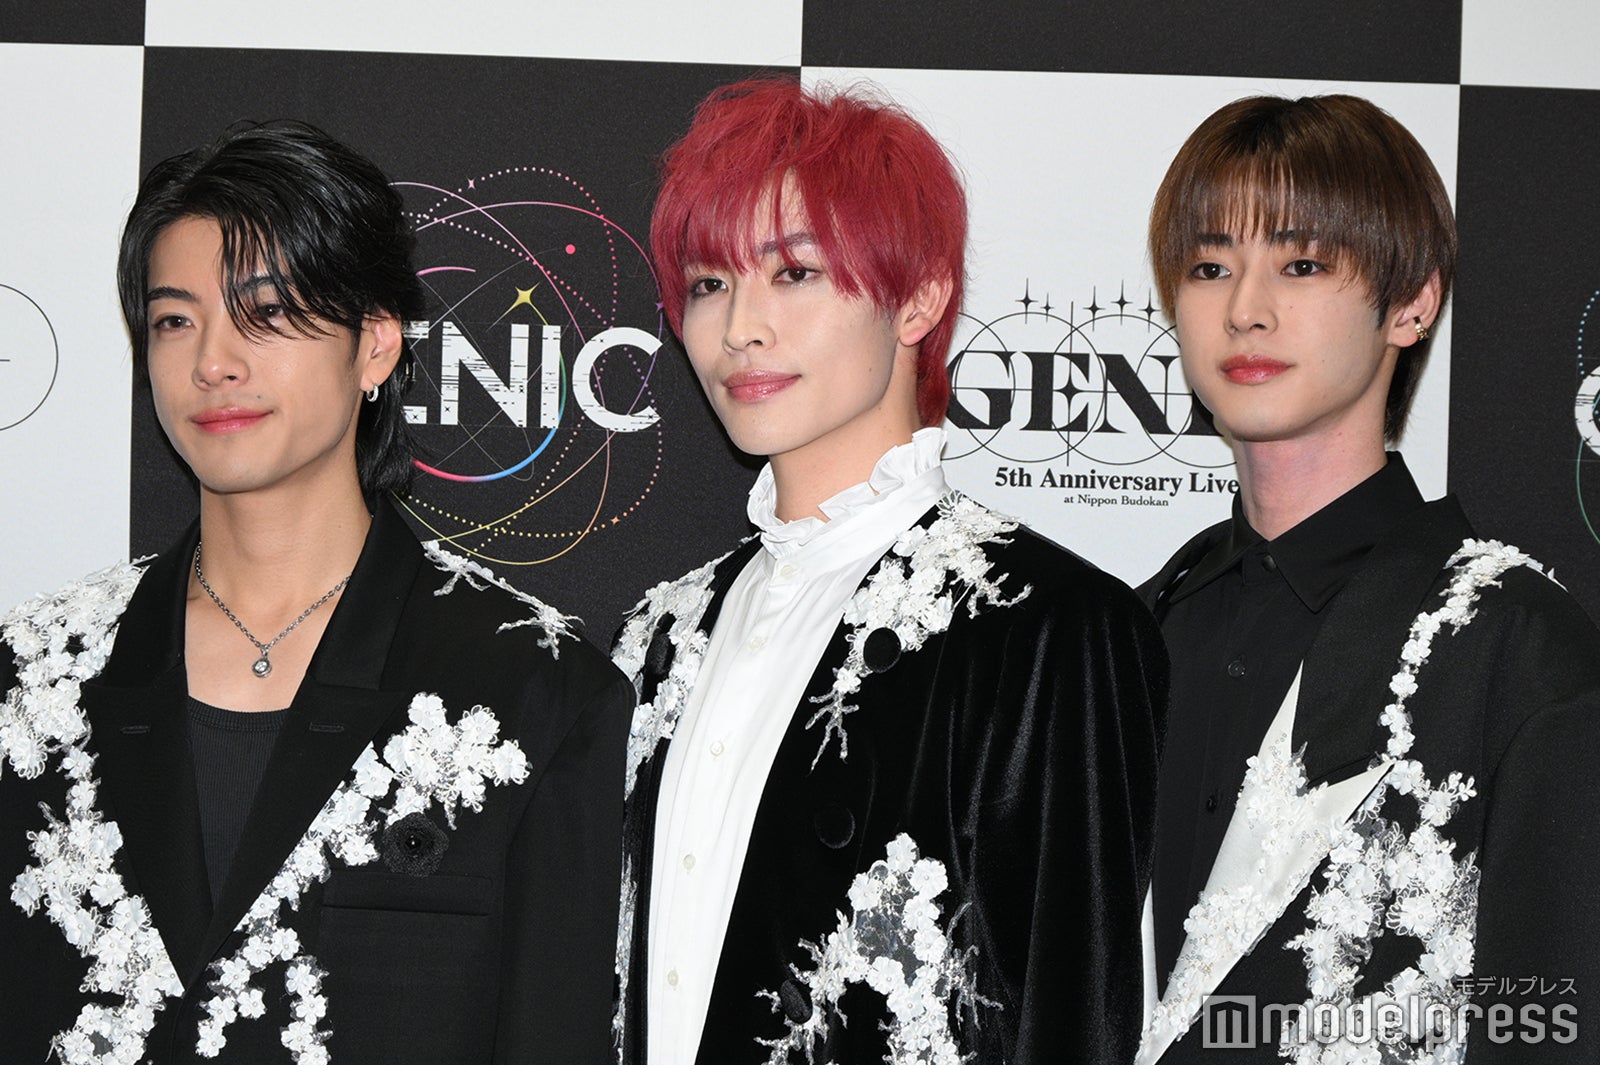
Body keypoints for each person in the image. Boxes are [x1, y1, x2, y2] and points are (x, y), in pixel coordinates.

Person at [0, 121, 631, 1064]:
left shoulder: (534, 689)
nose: (213, 361)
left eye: (265, 311)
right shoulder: (34, 679)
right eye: (175, 320)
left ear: (374, 344)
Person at [611, 78, 1166, 1065]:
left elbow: (1075, 1017)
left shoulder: (1048, 629)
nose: (740, 328)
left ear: (918, 297)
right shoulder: (663, 630)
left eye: (793, 273)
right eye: (707, 284)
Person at [1138, 94, 1600, 1063]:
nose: (1245, 309)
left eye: (1301, 264)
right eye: (1210, 266)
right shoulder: (1135, 631)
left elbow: (1553, 1018)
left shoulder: (1516, 648)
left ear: (1412, 303)